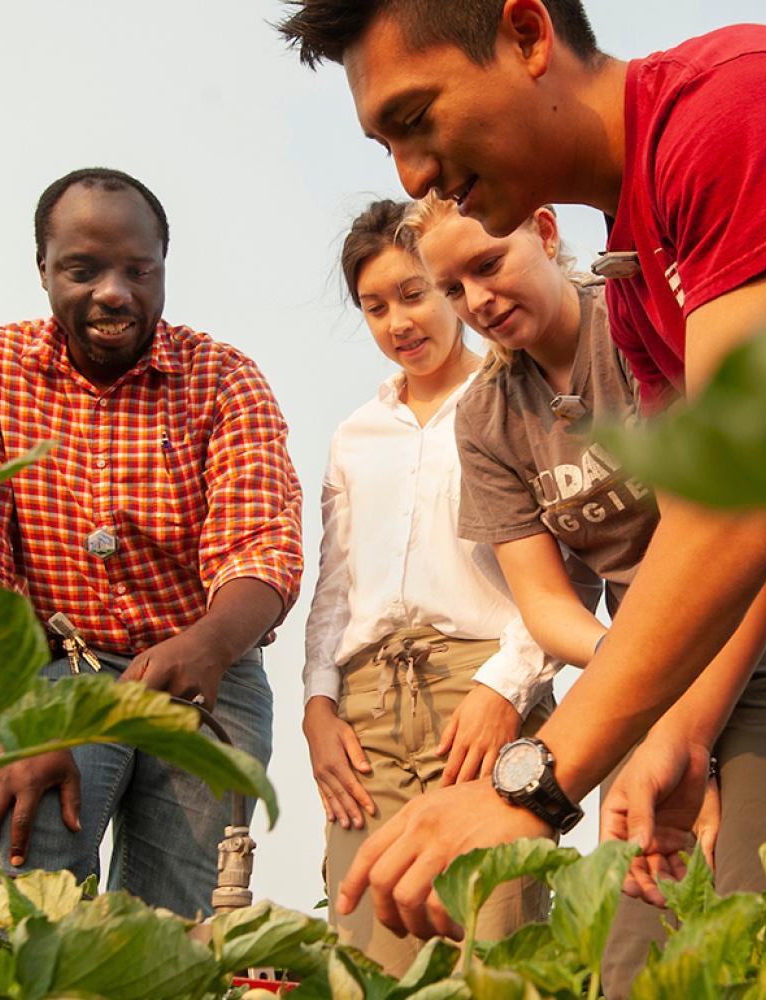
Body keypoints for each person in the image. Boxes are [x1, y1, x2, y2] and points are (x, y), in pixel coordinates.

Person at [278, 1, 766, 988]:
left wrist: (537, 779)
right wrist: (679, 737)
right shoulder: (647, 284)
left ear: (526, 35)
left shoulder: (734, 100)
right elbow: (699, 516)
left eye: (415, 117)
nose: (413, 172)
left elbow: (747, 499)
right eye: (387, 141)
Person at [401, 194, 766, 994]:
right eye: (452, 289)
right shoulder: (485, 417)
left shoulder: (642, 323)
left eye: (487, 264)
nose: (476, 301)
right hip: (643, 664)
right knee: (640, 941)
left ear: (545, 231)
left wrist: (688, 724)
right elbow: (546, 605)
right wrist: (648, 666)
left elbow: (740, 538)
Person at [0, 168, 303, 918]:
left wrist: (212, 643)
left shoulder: (223, 377)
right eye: (83, 270)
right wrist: (24, 726)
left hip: (207, 665)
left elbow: (262, 542)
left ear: (163, 265)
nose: (113, 292)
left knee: (175, 917)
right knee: (30, 876)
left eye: (137, 269)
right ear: (44, 271)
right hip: (53, 665)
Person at [302, 198, 555, 975]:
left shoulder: (517, 400)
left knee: (494, 949)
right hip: (368, 712)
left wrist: (505, 687)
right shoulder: (355, 435)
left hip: (479, 701)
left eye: (414, 294)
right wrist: (318, 705)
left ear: (449, 291)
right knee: (364, 954)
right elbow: (335, 585)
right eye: (374, 307)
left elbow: (560, 572)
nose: (398, 322)